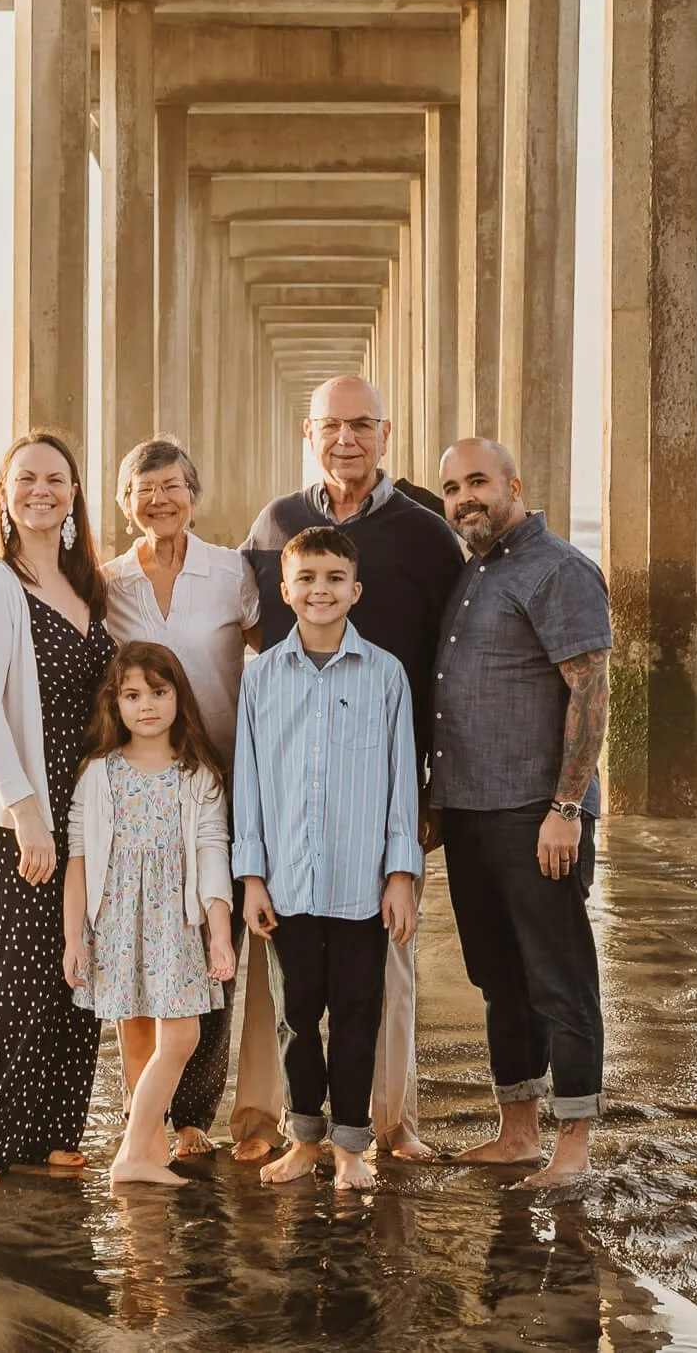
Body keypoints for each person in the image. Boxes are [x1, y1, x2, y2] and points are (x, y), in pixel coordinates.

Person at [241, 375, 464, 1159]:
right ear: (308, 433)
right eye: (331, 425)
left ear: (386, 431)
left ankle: (388, 1121)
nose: (346, 439)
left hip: (384, 784)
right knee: (289, 982)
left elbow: (452, 659)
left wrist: (436, 788)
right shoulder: (276, 524)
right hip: (296, 783)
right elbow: (247, 629)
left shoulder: (429, 532)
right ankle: (276, 1119)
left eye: (362, 425)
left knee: (384, 973)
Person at [0, 432, 114, 1187]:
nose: (43, 490)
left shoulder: (85, 589)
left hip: (85, 814)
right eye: (27, 478)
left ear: (74, 496)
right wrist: (25, 809)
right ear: (4, 495)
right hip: (20, 814)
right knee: (9, 978)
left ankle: (48, 1132)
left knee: (76, 971)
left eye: (57, 479)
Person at [431, 439, 614, 1189]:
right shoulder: (475, 569)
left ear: (514, 482)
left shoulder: (558, 568)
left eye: (478, 480)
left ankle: (573, 1145)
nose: (464, 496)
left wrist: (566, 807)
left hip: (537, 815)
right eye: (451, 487)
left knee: (559, 975)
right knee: (499, 977)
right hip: (472, 813)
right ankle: (517, 1131)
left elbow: (592, 690)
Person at [99, 439, 285, 1162]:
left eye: (173, 487)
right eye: (144, 491)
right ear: (124, 504)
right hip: (141, 787)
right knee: (141, 949)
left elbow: (273, 656)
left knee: (214, 951)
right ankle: (137, 1105)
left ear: (194, 496)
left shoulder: (230, 572)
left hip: (225, 784)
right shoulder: (109, 582)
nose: (159, 501)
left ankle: (191, 1114)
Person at [231, 527, 423, 1189]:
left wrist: (401, 874)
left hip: (361, 883)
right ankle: (304, 1137)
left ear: (355, 590)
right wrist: (251, 876)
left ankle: (351, 1146)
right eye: (307, 578)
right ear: (284, 591)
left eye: (334, 578)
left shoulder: (386, 674)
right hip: (285, 882)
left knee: (358, 1012)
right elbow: (248, 782)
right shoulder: (260, 679)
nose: (320, 590)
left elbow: (404, 782)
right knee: (295, 1014)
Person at [64, 643, 238, 1185]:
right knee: (136, 1036)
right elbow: (79, 861)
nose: (146, 706)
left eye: (158, 693)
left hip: (175, 923)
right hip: (116, 921)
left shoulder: (197, 773)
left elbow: (213, 852)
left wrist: (219, 932)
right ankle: (146, 1145)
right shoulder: (98, 773)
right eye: (132, 695)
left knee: (181, 1038)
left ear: (177, 697)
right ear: (114, 703)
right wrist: (74, 939)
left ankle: (135, 1152)